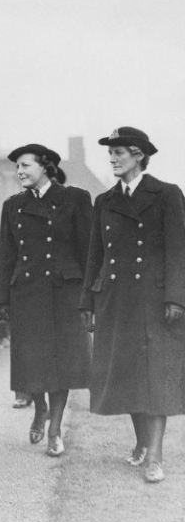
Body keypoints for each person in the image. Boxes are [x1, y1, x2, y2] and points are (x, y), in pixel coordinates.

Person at [80, 127, 185, 483]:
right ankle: (142, 442)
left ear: (139, 155)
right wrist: (87, 302)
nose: (112, 159)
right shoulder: (105, 201)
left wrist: (176, 298)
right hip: (115, 300)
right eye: (110, 153)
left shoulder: (167, 195)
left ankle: (154, 456)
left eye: (119, 153)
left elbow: (178, 250)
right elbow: (96, 254)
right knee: (127, 375)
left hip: (155, 302)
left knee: (155, 376)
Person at [0, 143, 92, 457]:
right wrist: (0, 301)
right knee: (31, 360)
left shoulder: (75, 199)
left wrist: (89, 298)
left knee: (61, 363)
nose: (20, 172)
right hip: (27, 291)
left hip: (64, 292)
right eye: (17, 167)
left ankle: (55, 429)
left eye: (25, 166)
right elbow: (6, 255)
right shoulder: (12, 206)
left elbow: (87, 250)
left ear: (46, 166)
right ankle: (39, 408)